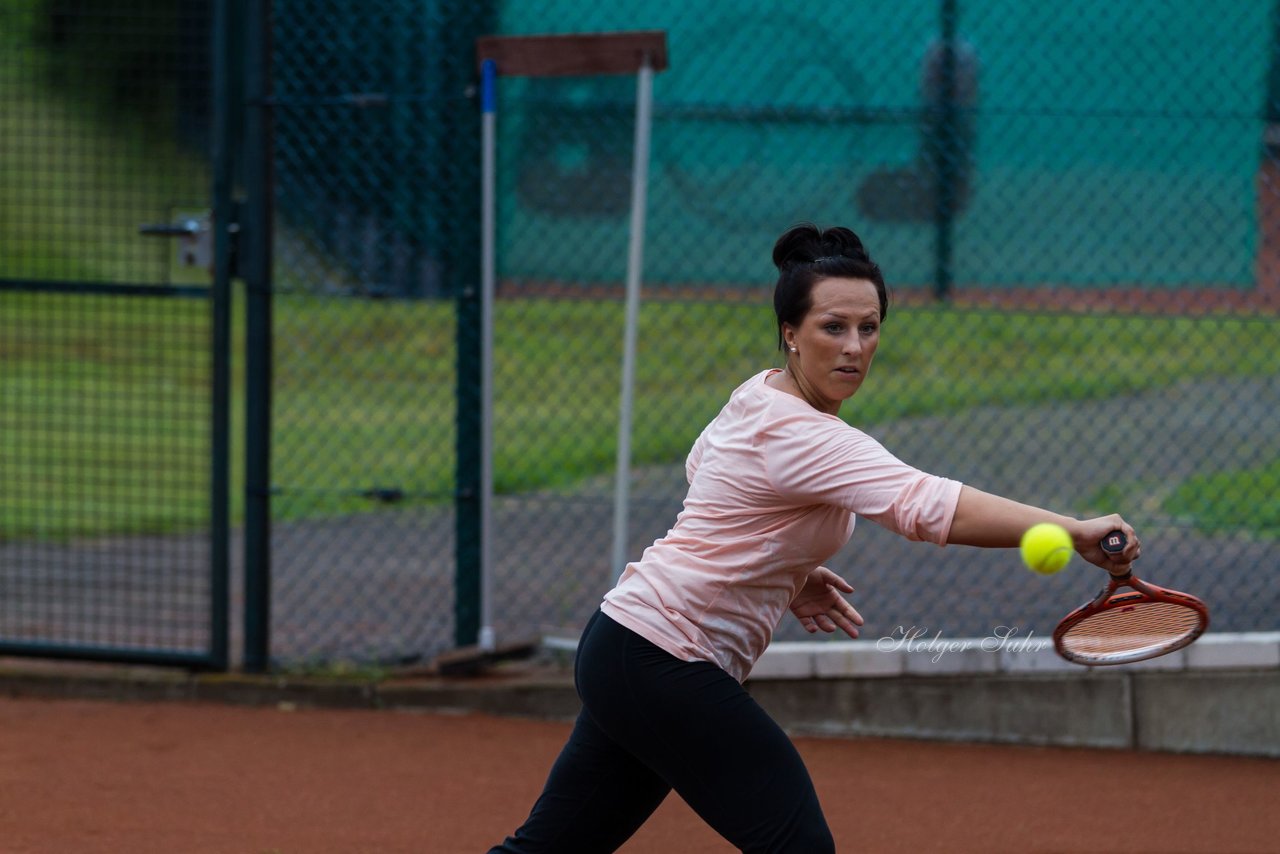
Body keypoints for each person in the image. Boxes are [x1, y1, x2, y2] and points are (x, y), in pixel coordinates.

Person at [489, 223, 1141, 853]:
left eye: (869, 327)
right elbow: (924, 506)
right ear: (791, 335)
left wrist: (790, 570)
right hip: (664, 659)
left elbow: (704, 470)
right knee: (795, 843)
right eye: (833, 327)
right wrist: (1072, 529)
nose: (854, 346)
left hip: (628, 650)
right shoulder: (803, 433)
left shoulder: (759, 396)